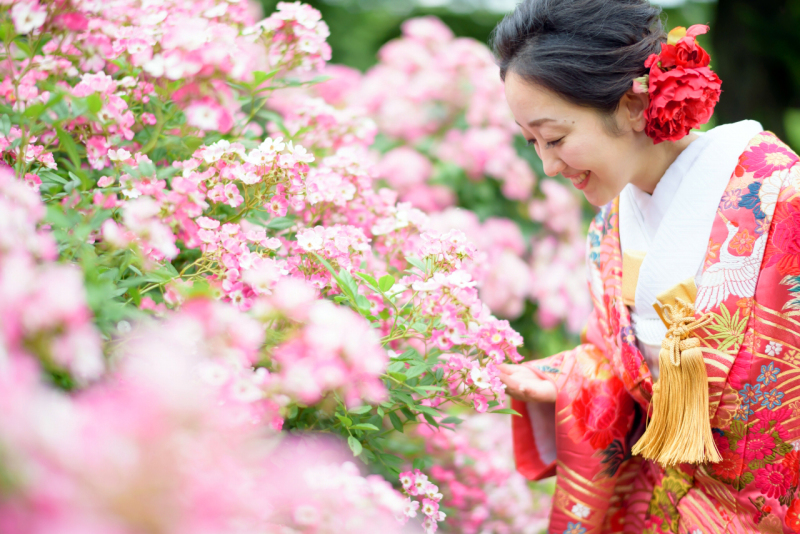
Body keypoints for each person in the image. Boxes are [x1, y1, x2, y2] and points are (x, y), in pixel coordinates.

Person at [491, 1, 800, 533]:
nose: (548, 165)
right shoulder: (609, 231)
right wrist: (568, 380)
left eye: (556, 138)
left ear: (634, 104)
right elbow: (616, 364)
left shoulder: (785, 204)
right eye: (533, 142)